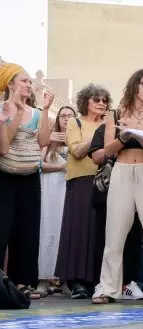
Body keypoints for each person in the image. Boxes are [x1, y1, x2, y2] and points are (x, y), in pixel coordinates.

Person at [91, 68, 143, 306]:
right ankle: (108, 288)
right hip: (122, 172)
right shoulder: (115, 114)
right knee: (114, 233)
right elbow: (107, 150)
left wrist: (141, 136)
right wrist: (124, 138)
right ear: (135, 85)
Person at [0, 63, 53, 300]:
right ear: (10, 83)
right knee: (3, 229)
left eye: (30, 81)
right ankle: (2, 282)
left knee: (28, 230)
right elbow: (4, 146)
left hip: (30, 177)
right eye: (24, 81)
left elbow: (43, 141)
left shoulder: (39, 113)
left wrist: (45, 109)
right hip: (6, 178)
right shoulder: (2, 110)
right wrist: (17, 112)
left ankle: (24, 282)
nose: (29, 85)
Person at [55, 84, 110, 299]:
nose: (101, 103)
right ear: (85, 101)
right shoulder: (74, 122)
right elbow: (77, 151)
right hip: (80, 182)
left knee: (98, 233)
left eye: (104, 100)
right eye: (96, 99)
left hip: (104, 183)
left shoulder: (110, 124)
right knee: (78, 232)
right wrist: (99, 132)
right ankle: (76, 281)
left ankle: (96, 281)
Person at [37, 105, 76, 297]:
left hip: (70, 190)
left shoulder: (78, 139)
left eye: (70, 116)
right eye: (63, 116)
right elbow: (39, 164)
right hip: (51, 189)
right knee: (48, 230)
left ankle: (66, 280)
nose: (66, 119)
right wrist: (61, 167)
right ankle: (43, 279)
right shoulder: (49, 139)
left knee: (66, 232)